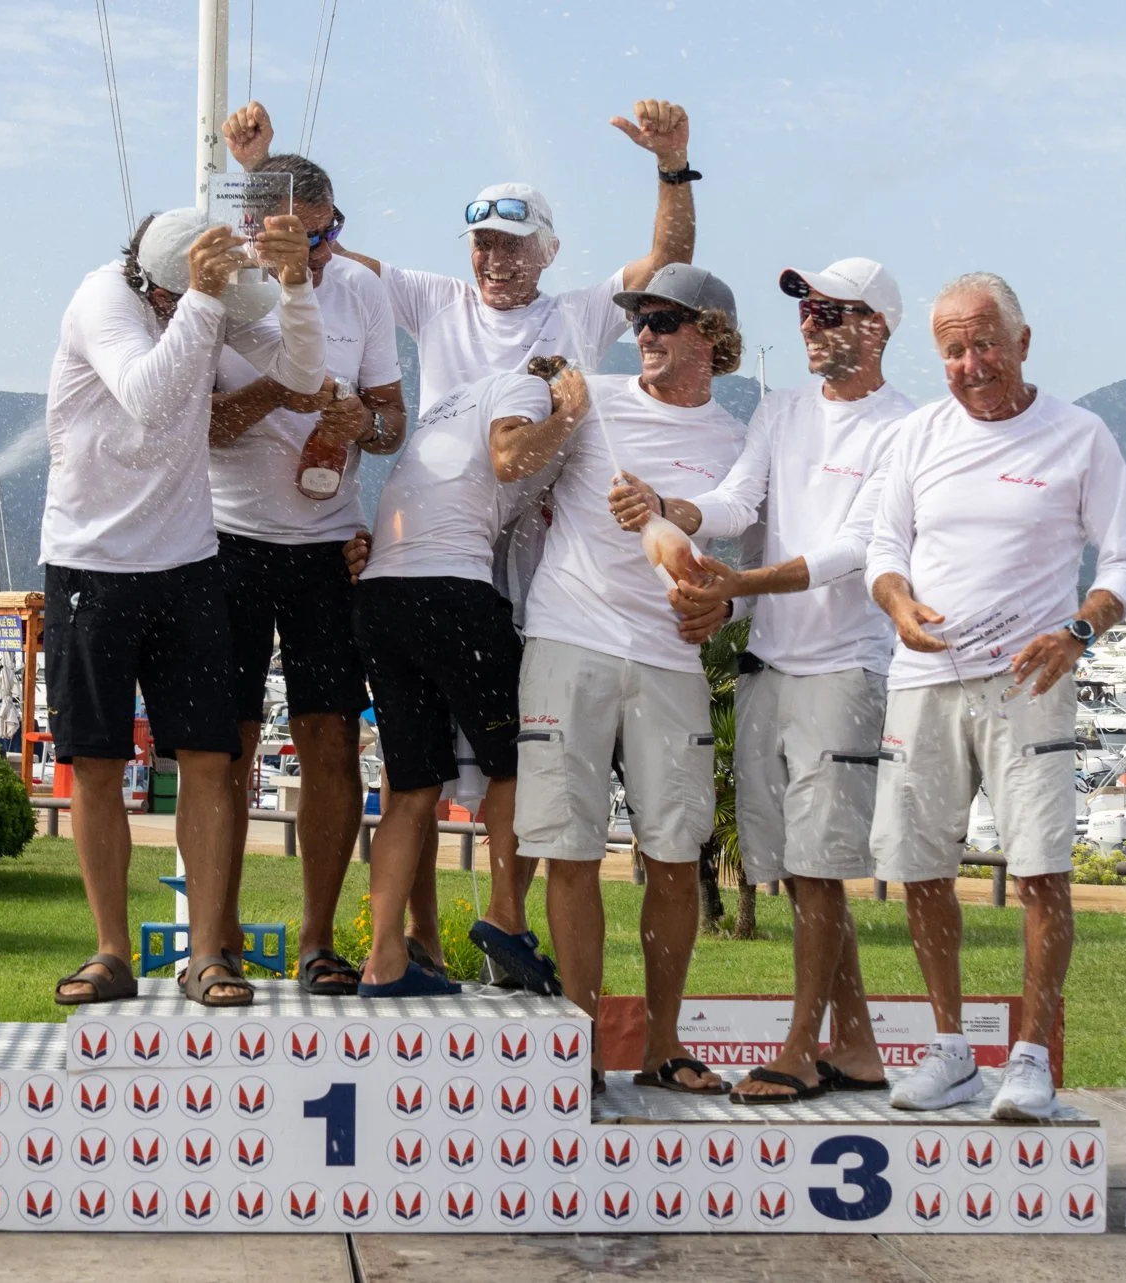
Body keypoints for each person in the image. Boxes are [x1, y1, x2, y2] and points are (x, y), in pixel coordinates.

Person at [232, 96, 699, 994]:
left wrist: (671, 163)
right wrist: (254, 172)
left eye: (512, 244)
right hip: (442, 555)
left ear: (548, 252)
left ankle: (420, 954)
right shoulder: (433, 299)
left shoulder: (576, 312)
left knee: (456, 766)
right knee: (478, 759)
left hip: (510, 559)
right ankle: (473, 940)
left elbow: (667, 265)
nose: (493, 258)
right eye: (480, 242)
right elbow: (310, 244)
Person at [864, 272, 1126, 1119]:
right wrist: (898, 603)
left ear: (1024, 342)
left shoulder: (1080, 435)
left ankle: (1029, 1057)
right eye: (953, 348)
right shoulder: (916, 435)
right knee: (920, 869)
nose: (971, 361)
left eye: (986, 341)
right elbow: (885, 549)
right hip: (924, 679)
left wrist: (1077, 631)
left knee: (1041, 870)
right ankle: (950, 1049)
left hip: (1031, 681)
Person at [42, 205, 325, 1009]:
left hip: (187, 561)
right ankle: (109, 950)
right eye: (190, 296)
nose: (201, 310)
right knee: (95, 764)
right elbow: (150, 397)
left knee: (209, 758)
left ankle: (208, 953)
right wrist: (202, 303)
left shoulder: (197, 305)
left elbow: (302, 375)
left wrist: (296, 286)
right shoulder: (104, 299)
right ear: (158, 284)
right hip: (89, 564)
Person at [650, 258, 914, 1103]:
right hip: (771, 664)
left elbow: (855, 551)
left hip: (846, 666)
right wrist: (680, 512)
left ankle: (801, 1048)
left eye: (833, 311)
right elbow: (735, 499)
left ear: (879, 326)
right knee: (804, 868)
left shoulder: (909, 428)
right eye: (805, 310)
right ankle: (863, 1046)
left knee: (819, 864)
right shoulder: (780, 408)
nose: (812, 323)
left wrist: (737, 587)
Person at [519, 266, 748, 1092]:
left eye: (665, 320)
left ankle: (663, 1045)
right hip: (566, 637)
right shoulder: (594, 403)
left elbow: (739, 566)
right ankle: (577, 1046)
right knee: (570, 850)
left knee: (675, 856)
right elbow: (511, 465)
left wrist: (718, 613)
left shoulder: (736, 439)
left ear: (712, 338)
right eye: (640, 319)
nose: (645, 332)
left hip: (669, 657)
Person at [206, 126, 409, 995]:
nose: (321, 254)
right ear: (257, 232)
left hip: (328, 545)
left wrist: (364, 424)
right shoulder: (220, 290)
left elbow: (396, 421)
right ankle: (214, 940)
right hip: (223, 537)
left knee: (329, 740)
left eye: (328, 234)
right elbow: (203, 428)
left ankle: (318, 939)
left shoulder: (360, 290)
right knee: (227, 746)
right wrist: (279, 395)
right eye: (301, 239)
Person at [344, 357, 590, 996]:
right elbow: (511, 458)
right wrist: (570, 412)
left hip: (381, 597)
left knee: (411, 786)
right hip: (451, 591)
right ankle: (505, 918)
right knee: (518, 762)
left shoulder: (451, 403)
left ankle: (385, 960)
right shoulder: (524, 391)